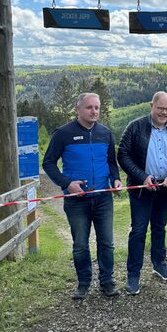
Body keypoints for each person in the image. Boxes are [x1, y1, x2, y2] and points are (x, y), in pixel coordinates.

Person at [43, 93, 122, 300]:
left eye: (97, 107)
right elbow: (48, 163)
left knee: (107, 243)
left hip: (103, 197)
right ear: (78, 109)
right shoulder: (63, 133)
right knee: (80, 244)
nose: (94, 111)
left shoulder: (105, 133)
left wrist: (116, 179)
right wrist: (67, 183)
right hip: (76, 201)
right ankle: (83, 283)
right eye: (89, 107)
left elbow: (112, 162)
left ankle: (107, 282)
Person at [117, 91, 167, 294]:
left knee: (160, 227)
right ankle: (133, 274)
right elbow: (122, 154)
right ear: (152, 106)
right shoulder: (135, 126)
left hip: (165, 190)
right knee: (138, 230)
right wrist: (141, 177)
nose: (164, 112)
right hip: (142, 189)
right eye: (161, 108)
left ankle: (159, 264)